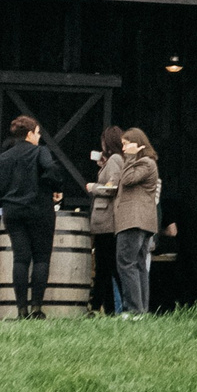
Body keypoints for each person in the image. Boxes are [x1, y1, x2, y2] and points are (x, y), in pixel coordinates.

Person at [0, 115, 76, 319]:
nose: (39, 137)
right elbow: (52, 170)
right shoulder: (40, 152)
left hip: (13, 212)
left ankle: (21, 309)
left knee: (20, 258)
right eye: (38, 133)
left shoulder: (3, 158)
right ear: (30, 134)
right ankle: (36, 308)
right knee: (41, 258)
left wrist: (6, 201)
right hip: (40, 210)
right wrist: (53, 186)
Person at [107, 127, 162, 317]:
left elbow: (129, 179)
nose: (123, 148)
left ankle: (133, 310)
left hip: (134, 221)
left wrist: (130, 158)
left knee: (126, 264)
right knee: (138, 265)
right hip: (140, 221)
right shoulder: (146, 163)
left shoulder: (146, 163)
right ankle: (141, 310)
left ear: (138, 144)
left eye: (125, 144)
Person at [86, 124, 125, 314]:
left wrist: (93, 187)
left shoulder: (116, 159)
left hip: (107, 222)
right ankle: (108, 309)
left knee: (105, 266)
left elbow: (113, 187)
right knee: (106, 267)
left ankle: (97, 307)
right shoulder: (112, 161)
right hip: (105, 223)